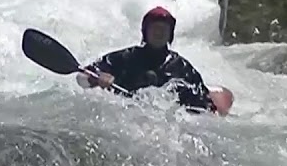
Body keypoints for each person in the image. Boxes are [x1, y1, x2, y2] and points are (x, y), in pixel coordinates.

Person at [75, 6, 235, 116]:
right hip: (126, 117)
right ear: (145, 32)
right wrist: (96, 79)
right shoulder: (124, 58)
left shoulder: (181, 67)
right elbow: (81, 77)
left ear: (170, 34)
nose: (159, 33)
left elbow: (203, 106)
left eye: (163, 30)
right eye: (155, 29)